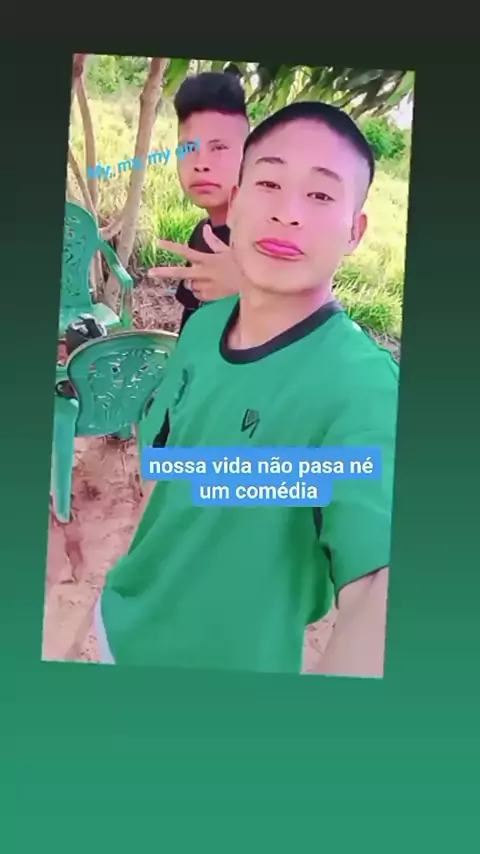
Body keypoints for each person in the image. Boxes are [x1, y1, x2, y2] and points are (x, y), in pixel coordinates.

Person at [96, 100, 399, 677]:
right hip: (120, 623)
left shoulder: (365, 388)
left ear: (355, 231)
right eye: (269, 183)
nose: (287, 213)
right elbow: (168, 466)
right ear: (236, 200)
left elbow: (377, 588)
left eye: (320, 195)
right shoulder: (203, 327)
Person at [150, 71, 250, 333]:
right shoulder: (202, 233)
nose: (201, 164)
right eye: (188, 149)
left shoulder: (268, 244)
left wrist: (252, 289)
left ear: (250, 156)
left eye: (219, 148)